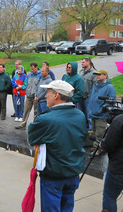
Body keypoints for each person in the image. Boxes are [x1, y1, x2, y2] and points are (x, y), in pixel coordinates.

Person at [28, 80, 87, 211]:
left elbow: (32, 138)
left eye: (48, 92)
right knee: (67, 207)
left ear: (56, 95)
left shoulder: (46, 119)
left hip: (53, 175)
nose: (45, 96)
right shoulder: (80, 115)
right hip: (73, 173)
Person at [88, 69, 116, 156]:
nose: (97, 76)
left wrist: (102, 109)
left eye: (99, 75)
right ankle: (97, 147)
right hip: (93, 113)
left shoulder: (109, 87)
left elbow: (112, 101)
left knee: (100, 135)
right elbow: (91, 98)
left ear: (105, 76)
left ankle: (97, 149)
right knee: (95, 133)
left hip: (102, 116)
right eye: (97, 75)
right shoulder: (95, 85)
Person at [100, 114, 123, 212]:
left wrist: (103, 145)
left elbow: (109, 144)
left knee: (110, 196)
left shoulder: (120, 120)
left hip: (119, 167)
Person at [16, 62, 41, 130]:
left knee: (35, 111)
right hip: (29, 95)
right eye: (31, 69)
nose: (32, 70)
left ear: (36, 67)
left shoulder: (40, 75)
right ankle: (23, 124)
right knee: (26, 110)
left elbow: (39, 86)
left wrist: (37, 94)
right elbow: (27, 84)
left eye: (33, 69)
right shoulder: (29, 75)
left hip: (35, 96)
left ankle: (34, 125)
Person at [79, 57, 97, 129]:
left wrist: (90, 96)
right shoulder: (81, 72)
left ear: (88, 62)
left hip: (88, 98)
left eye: (83, 62)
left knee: (89, 115)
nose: (82, 64)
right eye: (81, 62)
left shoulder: (94, 73)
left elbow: (95, 87)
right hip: (80, 97)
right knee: (81, 115)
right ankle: (83, 128)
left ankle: (91, 130)